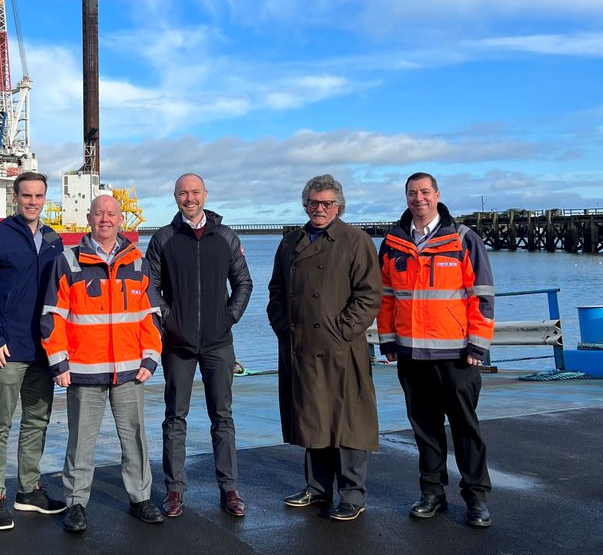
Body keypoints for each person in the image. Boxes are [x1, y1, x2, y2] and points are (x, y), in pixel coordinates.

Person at [40, 193, 164, 533]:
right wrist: (59, 363)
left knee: (135, 437)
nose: (105, 219)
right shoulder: (69, 262)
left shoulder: (137, 262)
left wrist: (151, 359)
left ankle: (141, 498)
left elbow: (150, 316)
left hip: (128, 371)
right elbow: (53, 317)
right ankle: (76, 503)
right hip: (82, 371)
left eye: (111, 214)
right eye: (99, 214)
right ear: (89, 218)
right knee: (80, 441)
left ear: (120, 219)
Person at [378, 172, 495, 527]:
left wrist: (478, 344)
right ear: (406, 197)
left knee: (465, 427)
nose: (419, 198)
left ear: (437, 195)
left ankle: (476, 497)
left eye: (425, 192)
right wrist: (387, 340)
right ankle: (432, 493)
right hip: (411, 355)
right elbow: (385, 297)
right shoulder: (393, 243)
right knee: (424, 429)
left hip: (457, 355)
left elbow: (482, 296)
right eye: (412, 193)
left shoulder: (462, 240)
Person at [267, 175, 382, 521]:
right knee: (313, 418)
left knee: (348, 421)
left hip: (341, 348)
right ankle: (317, 489)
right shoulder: (290, 243)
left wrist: (341, 332)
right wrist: (283, 328)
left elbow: (369, 295)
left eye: (327, 203)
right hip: (300, 346)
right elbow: (275, 292)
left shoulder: (356, 240)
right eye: (314, 202)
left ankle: (352, 494)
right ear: (305, 205)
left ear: (339, 206)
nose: (320, 208)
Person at [0, 171, 67, 530]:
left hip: (44, 349)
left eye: (39, 196)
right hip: (7, 350)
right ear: (15, 197)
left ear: (44, 199)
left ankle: (29, 490)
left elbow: (67, 295)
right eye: (27, 196)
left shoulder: (54, 240)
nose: (33, 202)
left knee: (37, 421)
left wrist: (63, 346)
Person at [146, 173, 253, 517]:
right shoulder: (163, 238)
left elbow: (243, 282)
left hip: (218, 343)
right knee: (175, 417)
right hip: (177, 344)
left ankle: (230, 489)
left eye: (194, 192)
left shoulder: (224, 236)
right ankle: (175, 490)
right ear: (175, 196)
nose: (189, 198)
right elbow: (149, 288)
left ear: (205, 194)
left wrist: (228, 317)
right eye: (182, 193)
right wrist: (170, 320)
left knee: (222, 416)